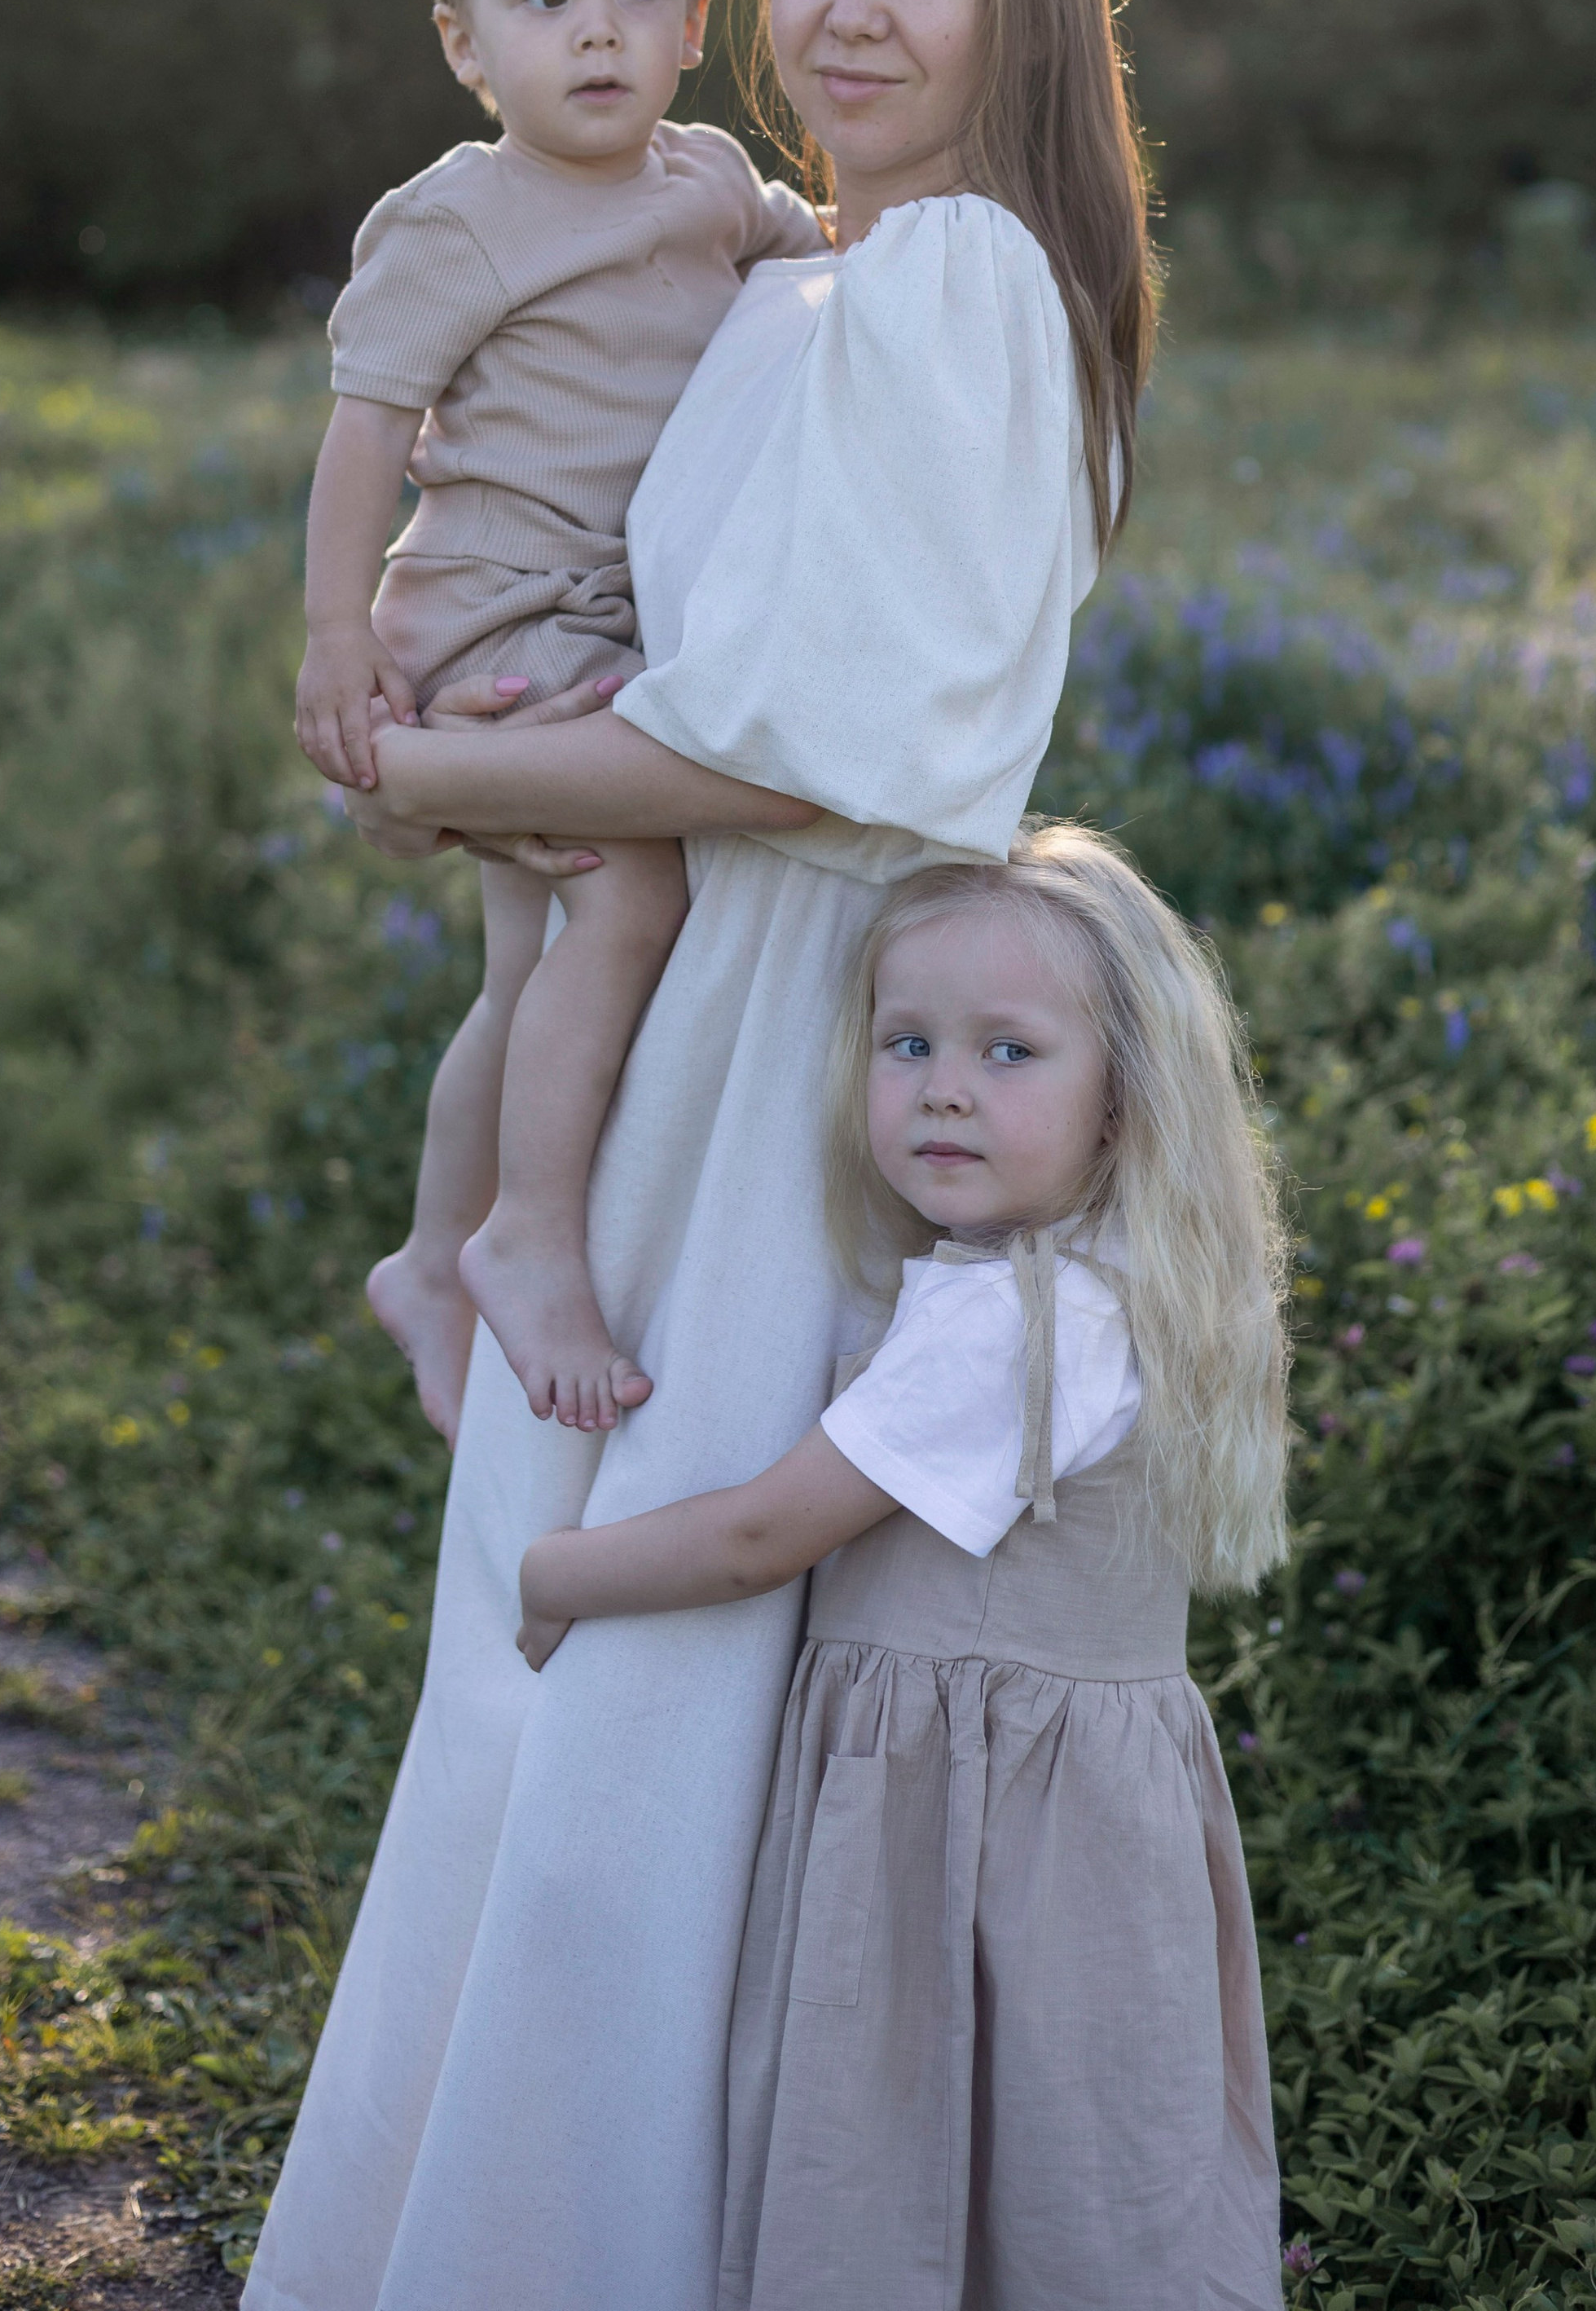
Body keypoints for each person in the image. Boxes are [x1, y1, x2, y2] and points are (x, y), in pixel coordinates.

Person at [244, 0, 1155, 2311]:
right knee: (558, 1688)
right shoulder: (809, 261)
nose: (850, 13)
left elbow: (825, 741)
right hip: (684, 1029)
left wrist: (427, 764)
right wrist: (454, 735)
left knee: (631, 1711)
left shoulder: (962, 274)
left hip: (778, 1060)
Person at [514, 824, 1290, 2308]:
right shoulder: (1100, 1295)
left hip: (979, 1815)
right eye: (909, 1040)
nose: (943, 1084)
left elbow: (760, 1536)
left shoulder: (1014, 1327)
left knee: (915, 2134)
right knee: (1074, 2154)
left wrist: (559, 1569)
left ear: (1123, 1106)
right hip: (1073, 1820)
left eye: (1010, 1054)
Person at [294, 0, 821, 1434]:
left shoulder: (715, 186)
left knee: (522, 977)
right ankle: (530, 1235)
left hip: (607, 615)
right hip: (489, 618)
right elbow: (365, 430)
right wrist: (331, 643)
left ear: (693, 14)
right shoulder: (458, 220)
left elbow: (829, 273)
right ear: (464, 46)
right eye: (543, 1)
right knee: (635, 890)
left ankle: (432, 1251)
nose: (595, 34)